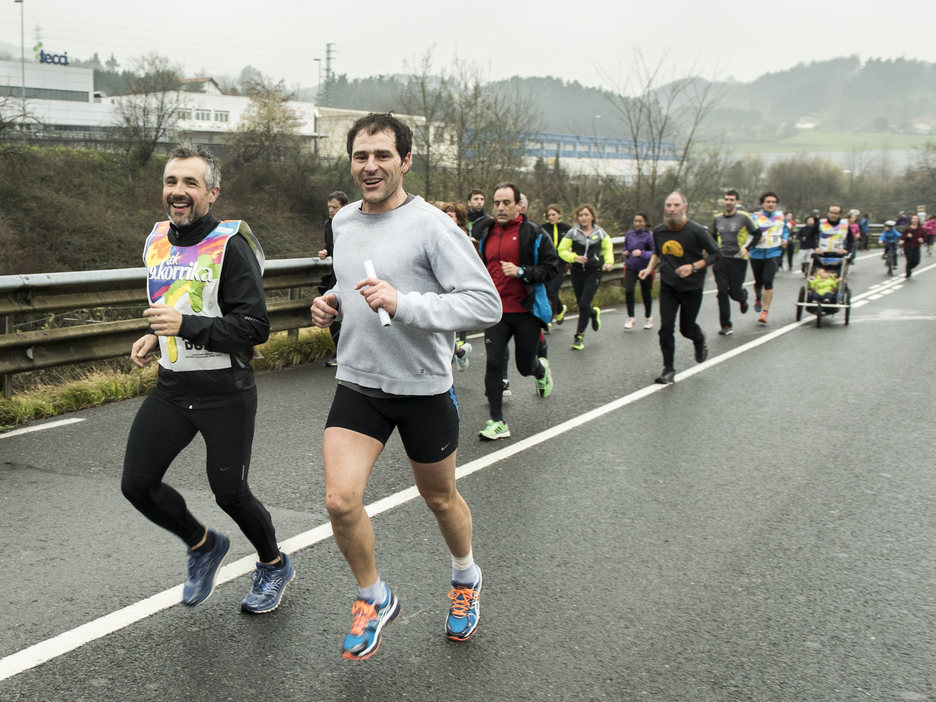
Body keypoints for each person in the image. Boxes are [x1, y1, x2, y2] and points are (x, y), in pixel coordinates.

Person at [310, 113, 501, 659]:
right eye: (360, 156)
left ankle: (465, 578)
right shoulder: (344, 221)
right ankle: (374, 596)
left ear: (406, 161)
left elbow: (484, 305)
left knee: (439, 498)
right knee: (340, 501)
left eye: (382, 156)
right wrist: (332, 304)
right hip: (360, 384)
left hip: (422, 388)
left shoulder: (434, 227)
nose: (370, 167)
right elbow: (352, 286)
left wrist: (404, 302)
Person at [123, 143, 294, 614]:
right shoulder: (157, 240)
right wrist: (155, 336)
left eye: (190, 184)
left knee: (231, 494)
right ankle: (202, 545)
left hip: (225, 392)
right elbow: (183, 302)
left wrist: (183, 327)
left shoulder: (230, 244)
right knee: (137, 484)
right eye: (171, 182)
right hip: (173, 388)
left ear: (212, 192)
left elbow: (254, 328)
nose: (178, 192)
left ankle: (273, 564)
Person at [474, 182, 558, 439]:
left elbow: (552, 266)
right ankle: (497, 421)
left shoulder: (533, 232)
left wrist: (522, 272)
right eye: (497, 203)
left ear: (518, 205)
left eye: (506, 203)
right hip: (496, 311)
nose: (500, 208)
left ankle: (540, 371)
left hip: (525, 311)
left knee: (524, 366)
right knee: (494, 364)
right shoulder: (486, 231)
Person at [640, 192, 720, 385]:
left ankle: (698, 338)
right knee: (666, 327)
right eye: (668, 205)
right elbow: (658, 252)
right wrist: (649, 268)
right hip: (669, 286)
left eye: (676, 205)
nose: (672, 209)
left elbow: (717, 254)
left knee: (686, 329)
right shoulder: (658, 231)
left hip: (692, 286)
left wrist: (693, 267)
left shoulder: (697, 231)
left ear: (685, 207)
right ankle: (669, 369)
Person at [557, 204, 614, 350]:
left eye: (586, 215)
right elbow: (561, 250)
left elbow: (608, 249)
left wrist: (608, 262)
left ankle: (579, 337)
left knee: (583, 303)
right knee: (581, 303)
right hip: (577, 272)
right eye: (581, 215)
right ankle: (593, 313)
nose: (583, 218)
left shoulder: (600, 233)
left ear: (592, 216)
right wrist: (574, 258)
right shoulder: (573, 232)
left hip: (593, 271)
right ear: (577, 217)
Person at [711, 189, 757, 335]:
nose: (728, 202)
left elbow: (757, 234)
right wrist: (709, 249)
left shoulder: (743, 218)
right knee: (722, 291)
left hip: (738, 260)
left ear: (737, 202)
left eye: (731, 200)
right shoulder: (717, 219)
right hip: (721, 260)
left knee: (734, 293)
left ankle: (742, 297)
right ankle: (725, 325)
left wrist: (747, 249)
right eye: (726, 199)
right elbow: (712, 238)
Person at [441, 202, 474, 371]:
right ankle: (460, 352)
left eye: (451, 215)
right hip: (442, 290)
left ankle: (447, 383)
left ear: (459, 219)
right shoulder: (438, 235)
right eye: (445, 214)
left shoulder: (466, 240)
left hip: (458, 291)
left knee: (444, 334)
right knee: (440, 334)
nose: (447, 217)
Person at [319, 191, 349, 367]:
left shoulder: (352, 223)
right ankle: (340, 353)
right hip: (335, 274)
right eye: (329, 207)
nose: (331, 210)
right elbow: (330, 246)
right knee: (331, 312)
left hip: (352, 273)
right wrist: (325, 252)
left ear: (344, 207)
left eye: (334, 207)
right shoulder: (327, 225)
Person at [748, 191, 789, 324]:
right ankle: (758, 297)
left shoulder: (780, 217)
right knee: (758, 282)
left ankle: (765, 312)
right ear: (762, 204)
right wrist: (756, 239)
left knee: (768, 280)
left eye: (773, 202)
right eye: (768, 202)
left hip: (773, 252)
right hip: (756, 253)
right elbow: (747, 233)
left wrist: (785, 240)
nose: (771, 204)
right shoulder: (754, 217)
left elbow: (785, 231)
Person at [621, 212, 655, 330]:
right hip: (630, 267)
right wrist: (625, 253)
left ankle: (648, 317)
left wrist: (642, 253)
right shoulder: (629, 234)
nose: (637, 223)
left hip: (645, 268)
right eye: (636, 221)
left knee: (646, 293)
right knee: (629, 290)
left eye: (640, 221)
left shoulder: (649, 235)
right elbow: (626, 248)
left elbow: (654, 253)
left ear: (645, 222)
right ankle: (631, 317)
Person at [542, 204, 571, 327]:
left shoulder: (567, 228)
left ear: (559, 215)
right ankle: (560, 309)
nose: (551, 217)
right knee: (549, 290)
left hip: (561, 264)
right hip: (548, 264)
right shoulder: (543, 228)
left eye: (554, 214)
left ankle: (549, 320)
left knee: (553, 291)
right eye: (549, 215)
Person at [809, 204, 854, 269]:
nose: (833, 215)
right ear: (828, 213)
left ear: (839, 214)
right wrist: (815, 248)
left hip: (838, 255)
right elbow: (809, 237)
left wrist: (846, 250)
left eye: (836, 213)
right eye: (831, 213)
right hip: (822, 254)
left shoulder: (845, 224)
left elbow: (851, 240)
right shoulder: (821, 223)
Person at [900, 214, 925, 278]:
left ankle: (909, 268)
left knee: (916, 261)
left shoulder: (921, 229)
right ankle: (908, 273)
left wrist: (921, 240)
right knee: (910, 260)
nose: (915, 220)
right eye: (913, 218)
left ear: (918, 220)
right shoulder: (907, 228)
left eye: (916, 219)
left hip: (916, 246)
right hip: (908, 246)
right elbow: (902, 237)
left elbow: (923, 237)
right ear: (911, 220)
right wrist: (907, 236)